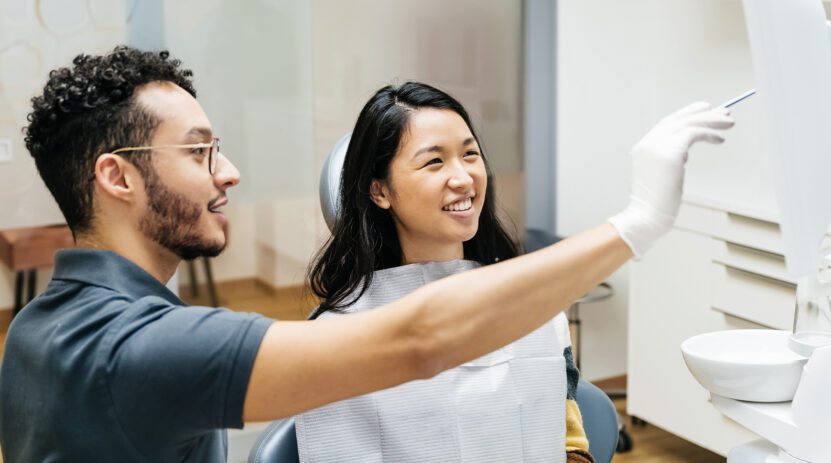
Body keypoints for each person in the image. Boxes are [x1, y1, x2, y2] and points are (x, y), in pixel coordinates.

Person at [0, 46, 733, 463]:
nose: (229, 172)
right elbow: (420, 339)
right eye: (200, 152)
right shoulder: (143, 348)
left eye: (470, 155)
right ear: (116, 176)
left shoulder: (34, 330)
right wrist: (637, 222)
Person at [301, 82, 593, 463]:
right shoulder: (338, 334)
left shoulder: (533, 306)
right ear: (379, 191)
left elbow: (569, 443)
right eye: (434, 161)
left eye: (470, 154)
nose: (463, 178)